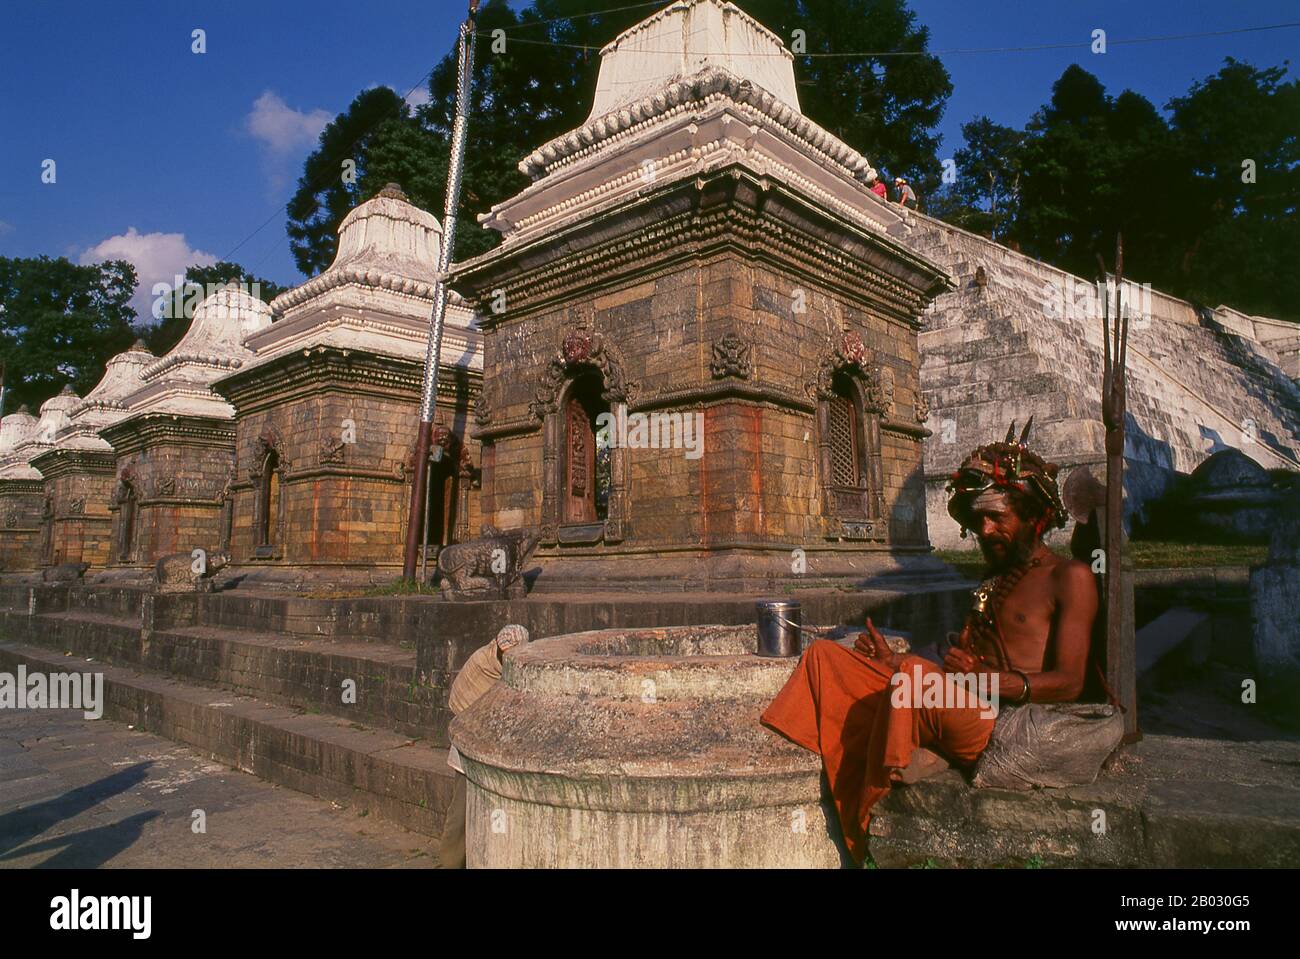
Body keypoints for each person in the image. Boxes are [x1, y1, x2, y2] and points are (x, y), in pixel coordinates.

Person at [760, 420, 1098, 865]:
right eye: (979, 519)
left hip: (1003, 722)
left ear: (1034, 518)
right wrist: (888, 663)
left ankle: (868, 817)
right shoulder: (997, 580)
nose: (986, 530)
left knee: (914, 675)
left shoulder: (1068, 577)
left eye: (998, 517)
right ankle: (884, 757)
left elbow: (1070, 683)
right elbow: (952, 663)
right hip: (958, 697)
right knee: (827, 656)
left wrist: (985, 679)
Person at [438, 623, 530, 868]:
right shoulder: (483, 664)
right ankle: (449, 863)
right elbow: (463, 702)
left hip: (501, 757)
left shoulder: (519, 673)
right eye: (506, 653)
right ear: (499, 649)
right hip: (467, 752)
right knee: (460, 816)